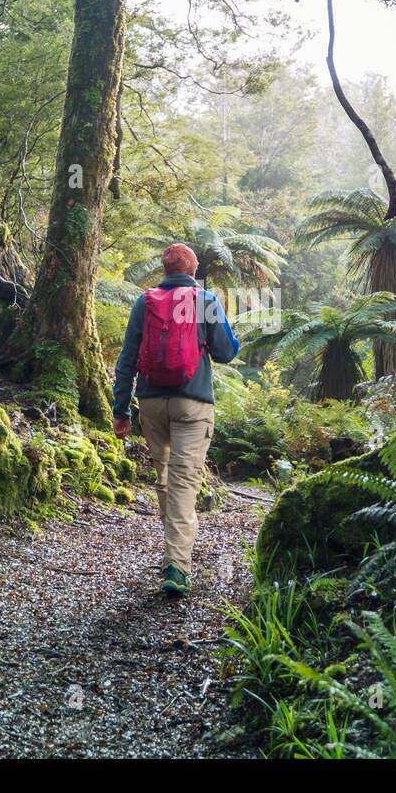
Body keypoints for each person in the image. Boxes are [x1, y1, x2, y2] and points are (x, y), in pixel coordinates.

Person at [112, 243, 239, 595]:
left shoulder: (144, 301)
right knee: (184, 484)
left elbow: (127, 359)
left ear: (165, 270)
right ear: (193, 270)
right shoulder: (205, 300)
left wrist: (120, 410)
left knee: (166, 479)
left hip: (151, 403)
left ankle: (173, 549)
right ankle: (177, 566)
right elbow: (226, 352)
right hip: (192, 405)